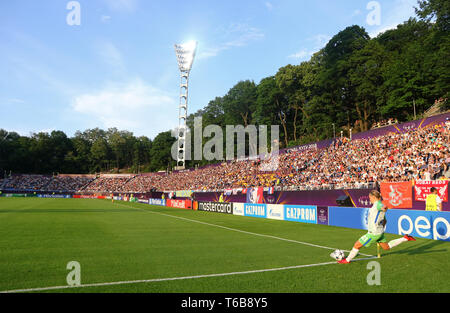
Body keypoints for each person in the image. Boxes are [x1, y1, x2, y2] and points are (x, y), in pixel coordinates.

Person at [338, 190, 416, 264]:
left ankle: (347, 260)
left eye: (370, 198)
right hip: (379, 232)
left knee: (357, 245)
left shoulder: (378, 204)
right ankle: (405, 238)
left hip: (373, 233)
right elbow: (385, 221)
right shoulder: (377, 206)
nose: (370, 199)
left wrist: (384, 208)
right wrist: (381, 228)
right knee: (386, 247)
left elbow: (383, 206)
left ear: (374, 197)